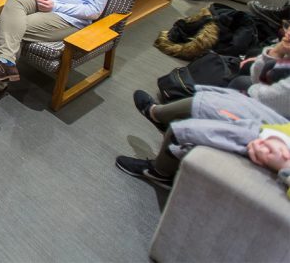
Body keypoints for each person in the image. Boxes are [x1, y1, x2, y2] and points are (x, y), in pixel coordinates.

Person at [115, 25, 290, 189]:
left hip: (276, 126)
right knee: (237, 84)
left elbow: (261, 96)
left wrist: (259, 82)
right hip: (273, 114)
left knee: (211, 106)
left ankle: (160, 172)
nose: (287, 30)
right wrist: (276, 51)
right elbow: (256, 79)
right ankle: (161, 116)